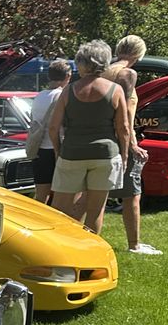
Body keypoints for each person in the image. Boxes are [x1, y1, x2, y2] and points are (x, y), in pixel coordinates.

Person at [47, 39, 134, 234]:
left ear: (81, 63)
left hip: (72, 153)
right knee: (96, 211)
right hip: (106, 154)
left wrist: (58, 151)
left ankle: (62, 247)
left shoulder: (69, 90)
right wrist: (124, 154)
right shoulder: (116, 90)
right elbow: (124, 128)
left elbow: (53, 127)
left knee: (60, 210)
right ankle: (90, 250)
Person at [104, 34, 160, 254]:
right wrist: (133, 145)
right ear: (139, 54)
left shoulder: (103, 71)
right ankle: (134, 244)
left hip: (101, 138)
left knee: (93, 196)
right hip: (120, 140)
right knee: (132, 194)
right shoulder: (127, 74)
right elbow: (125, 114)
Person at [25, 58, 71, 206]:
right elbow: (59, 125)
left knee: (41, 195)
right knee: (59, 195)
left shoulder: (39, 96)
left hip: (39, 148)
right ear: (67, 76)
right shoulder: (61, 95)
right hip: (55, 147)